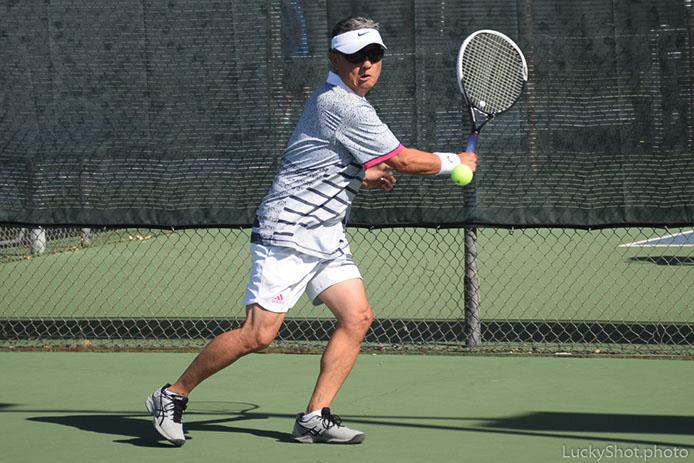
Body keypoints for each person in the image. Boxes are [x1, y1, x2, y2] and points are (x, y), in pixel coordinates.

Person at [146, 15, 477, 446]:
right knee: (258, 334)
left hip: (325, 234)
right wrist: (455, 162)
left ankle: (314, 417)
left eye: (374, 55)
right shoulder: (342, 104)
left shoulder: (344, 102)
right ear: (334, 59)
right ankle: (172, 395)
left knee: (357, 317)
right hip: (288, 231)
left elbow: (326, 157)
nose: (366, 65)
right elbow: (403, 160)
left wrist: (361, 174)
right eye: (355, 57)